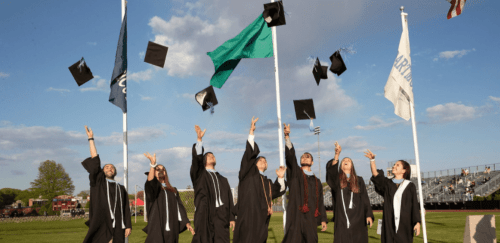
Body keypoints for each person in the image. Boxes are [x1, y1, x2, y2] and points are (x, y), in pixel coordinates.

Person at [232, 117, 287, 243]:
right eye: (260, 160)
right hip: (247, 217)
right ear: (254, 164)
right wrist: (251, 133)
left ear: (267, 166)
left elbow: (278, 191)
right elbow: (248, 156)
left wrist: (280, 178)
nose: (263, 161)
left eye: (265, 161)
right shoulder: (247, 174)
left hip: (261, 219)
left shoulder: (267, 183)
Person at [81, 126, 132, 243]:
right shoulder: (98, 183)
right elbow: (95, 161)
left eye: (112, 167)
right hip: (102, 223)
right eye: (107, 167)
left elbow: (125, 207)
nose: (110, 169)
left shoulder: (121, 188)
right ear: (102, 171)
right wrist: (91, 139)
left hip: (119, 224)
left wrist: (128, 225)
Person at [281, 123, 328, 243]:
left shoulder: (317, 181)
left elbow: (320, 201)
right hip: (296, 216)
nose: (305, 157)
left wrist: (323, 219)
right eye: (302, 157)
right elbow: (291, 158)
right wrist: (287, 137)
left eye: (308, 156)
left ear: (312, 162)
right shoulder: (296, 173)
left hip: (311, 218)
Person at [190, 125, 235, 243]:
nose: (212, 156)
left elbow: (229, 199)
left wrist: (231, 217)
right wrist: (199, 140)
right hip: (205, 213)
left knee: (222, 240)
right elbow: (196, 162)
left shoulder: (223, 179)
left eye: (213, 155)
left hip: (221, 215)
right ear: (204, 161)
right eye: (208, 156)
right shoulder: (200, 175)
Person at [366, 150, 420, 243]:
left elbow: (414, 205)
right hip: (388, 222)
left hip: (405, 224)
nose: (394, 166)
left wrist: (417, 222)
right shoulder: (388, 183)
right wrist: (372, 160)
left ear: (404, 170)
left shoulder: (410, 186)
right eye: (394, 164)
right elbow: (376, 175)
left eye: (397, 165)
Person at [326, 142, 374, 243]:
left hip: (358, 219)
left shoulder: (359, 180)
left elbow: (365, 198)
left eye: (348, 160)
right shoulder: (337, 180)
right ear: (340, 166)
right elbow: (331, 173)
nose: (346, 161)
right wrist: (337, 155)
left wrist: (368, 214)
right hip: (342, 219)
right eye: (343, 161)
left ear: (352, 166)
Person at [142, 152, 195, 242]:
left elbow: (180, 208)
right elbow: (150, 182)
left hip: (172, 228)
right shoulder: (152, 189)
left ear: (166, 173)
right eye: (157, 169)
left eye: (163, 169)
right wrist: (153, 165)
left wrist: (186, 222)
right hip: (157, 227)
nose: (161, 170)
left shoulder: (173, 191)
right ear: (153, 173)